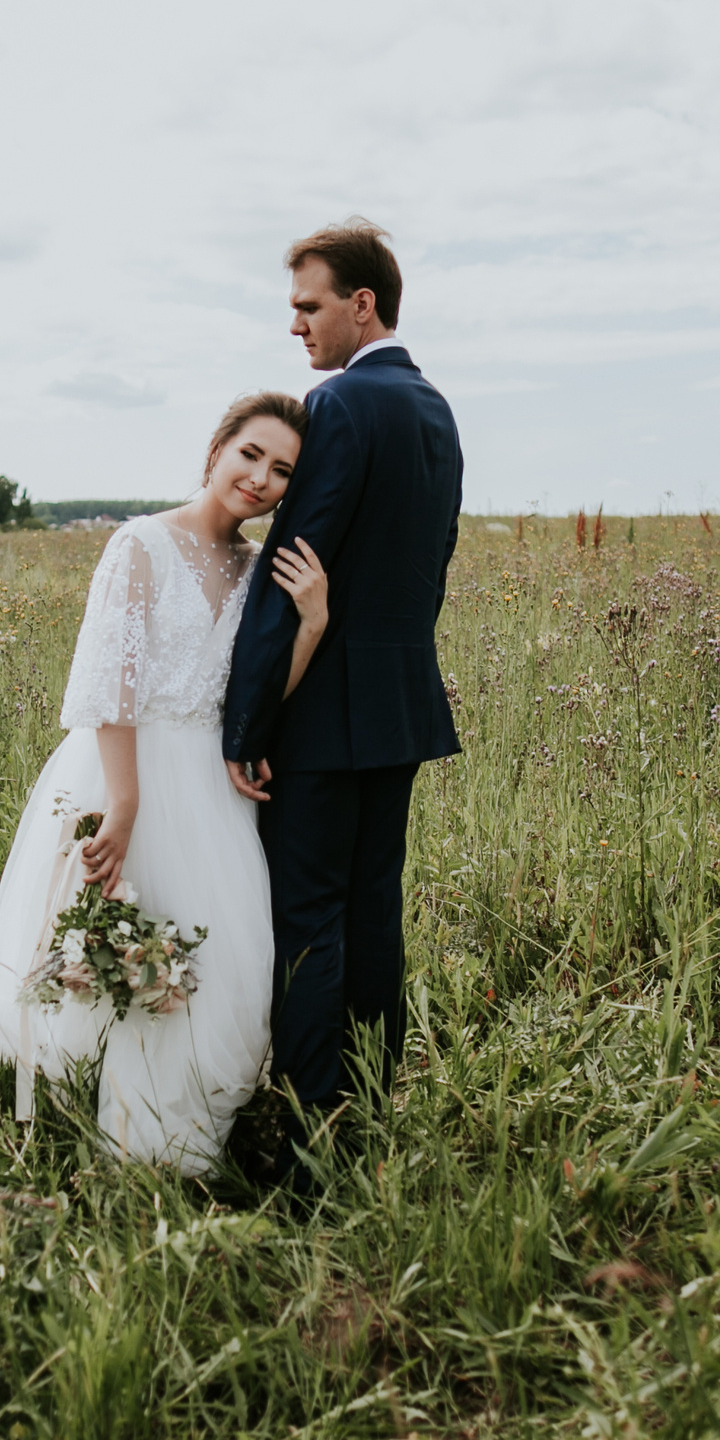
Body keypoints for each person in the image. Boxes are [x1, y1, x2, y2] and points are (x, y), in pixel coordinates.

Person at [0, 391, 333, 1175]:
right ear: (214, 450)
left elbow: (256, 702)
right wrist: (122, 806)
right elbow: (109, 686)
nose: (261, 478)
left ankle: (172, 1133)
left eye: (281, 470)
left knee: (226, 959)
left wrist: (311, 625)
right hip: (121, 766)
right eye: (250, 454)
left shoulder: (259, 568)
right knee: (103, 951)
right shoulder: (139, 544)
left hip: (211, 786)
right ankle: (77, 1100)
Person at [223, 219, 464, 1193]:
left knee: (310, 926)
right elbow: (427, 565)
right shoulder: (435, 410)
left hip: (322, 719)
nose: (296, 327)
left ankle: (315, 1157)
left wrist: (246, 725)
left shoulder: (341, 405)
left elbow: (295, 568)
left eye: (308, 305)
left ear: (361, 304)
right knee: (373, 919)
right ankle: (366, 1114)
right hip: (400, 706)